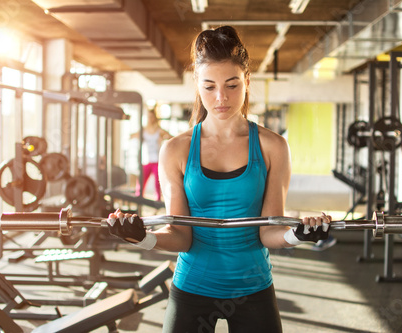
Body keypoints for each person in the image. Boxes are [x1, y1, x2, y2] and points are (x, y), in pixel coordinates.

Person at [107, 26, 331, 333]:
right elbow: (181, 236)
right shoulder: (175, 149)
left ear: (247, 81)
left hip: (253, 289)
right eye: (209, 87)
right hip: (192, 288)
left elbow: (268, 233)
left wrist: (299, 235)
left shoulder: (272, 146)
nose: (221, 98)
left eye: (232, 85)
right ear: (197, 86)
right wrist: (141, 236)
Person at [131, 109, 172, 201]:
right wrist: (137, 137)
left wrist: (163, 138)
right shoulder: (143, 130)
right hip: (146, 160)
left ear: (154, 117)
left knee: (158, 184)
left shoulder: (159, 130)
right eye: (148, 116)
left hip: (157, 160)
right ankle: (138, 199)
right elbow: (131, 136)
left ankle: (157, 201)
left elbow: (171, 137)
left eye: (151, 116)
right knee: (141, 182)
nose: (150, 118)